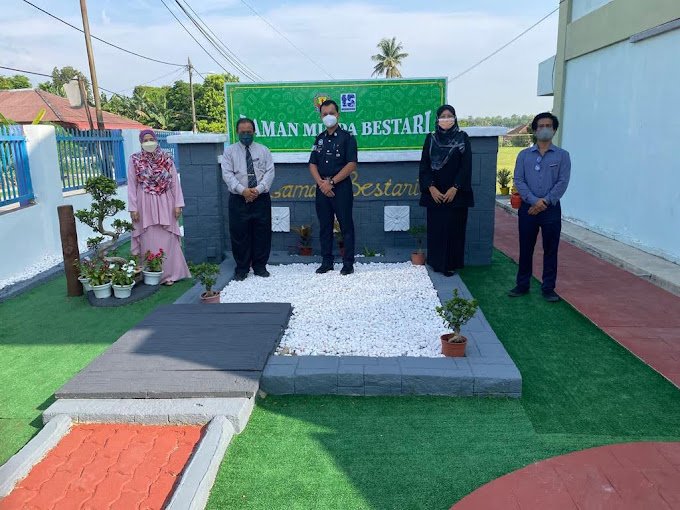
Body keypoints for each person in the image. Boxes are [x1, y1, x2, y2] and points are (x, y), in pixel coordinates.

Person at [508, 112, 571, 302]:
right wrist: (534, 200)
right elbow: (519, 179)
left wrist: (544, 202)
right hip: (528, 208)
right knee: (526, 248)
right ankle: (522, 284)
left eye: (548, 126)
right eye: (541, 126)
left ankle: (548, 288)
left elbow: (562, 182)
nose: (544, 129)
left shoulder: (562, 156)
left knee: (550, 249)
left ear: (554, 130)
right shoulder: (524, 155)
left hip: (551, 209)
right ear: (535, 130)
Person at [127, 129, 190, 285]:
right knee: (147, 237)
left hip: (165, 202)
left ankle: (170, 275)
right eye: (145, 140)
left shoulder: (166, 159)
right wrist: (133, 208)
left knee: (168, 238)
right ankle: (151, 274)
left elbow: (175, 183)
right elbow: (131, 185)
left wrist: (178, 205)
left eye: (151, 139)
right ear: (140, 142)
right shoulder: (135, 160)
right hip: (144, 204)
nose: (149, 143)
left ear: (156, 140)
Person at [418, 105, 474, 276]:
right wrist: (431, 188)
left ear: (455, 118)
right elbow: (424, 165)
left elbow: (466, 166)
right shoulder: (431, 138)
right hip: (435, 194)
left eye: (450, 115)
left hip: (456, 194)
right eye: (443, 116)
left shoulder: (462, 138)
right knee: (437, 229)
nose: (446, 119)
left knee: (454, 230)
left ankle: (450, 264)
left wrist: (455, 188)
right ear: (437, 119)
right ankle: (436, 263)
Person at [221, 118, 275, 281]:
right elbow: (227, 174)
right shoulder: (229, 152)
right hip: (238, 199)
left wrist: (257, 190)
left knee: (262, 233)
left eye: (249, 132)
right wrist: (243, 190)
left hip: (261, 198)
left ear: (254, 132)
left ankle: (260, 266)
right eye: (243, 132)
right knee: (239, 234)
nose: (246, 135)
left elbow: (270, 172)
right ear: (237, 132)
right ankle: (242, 268)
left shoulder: (263, 150)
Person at [309, 99, 358, 275]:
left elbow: (351, 164)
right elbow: (312, 164)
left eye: (331, 113)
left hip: (341, 187)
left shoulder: (348, 138)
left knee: (346, 226)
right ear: (320, 117)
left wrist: (331, 182)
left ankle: (348, 263)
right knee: (325, 226)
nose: (328, 116)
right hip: (322, 187)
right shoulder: (319, 139)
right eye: (325, 114)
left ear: (338, 115)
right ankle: (327, 262)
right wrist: (322, 183)